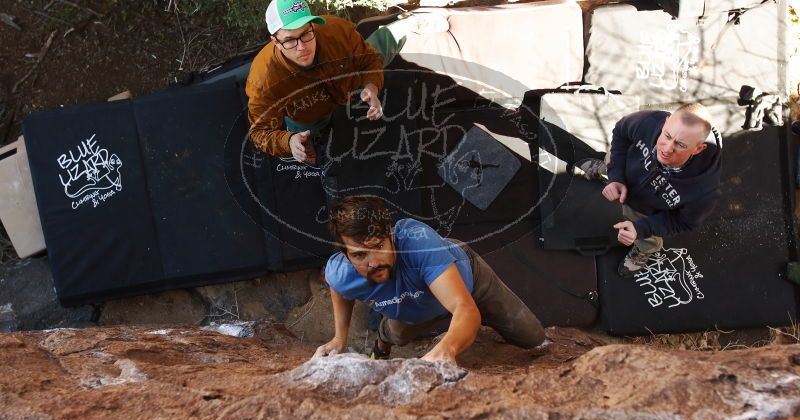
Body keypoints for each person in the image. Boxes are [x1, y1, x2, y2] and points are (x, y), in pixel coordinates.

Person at [313, 196, 546, 364]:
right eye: (360, 255)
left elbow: (464, 308)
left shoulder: (420, 244)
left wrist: (447, 349)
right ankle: (382, 344)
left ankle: (468, 329)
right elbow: (337, 287)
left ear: (391, 234)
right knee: (397, 334)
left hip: (469, 280)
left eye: (378, 247)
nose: (373, 263)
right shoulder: (341, 272)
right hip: (411, 303)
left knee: (533, 338)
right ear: (345, 256)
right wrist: (339, 338)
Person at [246, 0, 449, 164]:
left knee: (377, 51)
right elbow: (259, 132)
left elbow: (369, 60)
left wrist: (371, 86)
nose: (302, 47)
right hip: (308, 114)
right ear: (275, 41)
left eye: (306, 33)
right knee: (303, 138)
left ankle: (408, 25)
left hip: (348, 83)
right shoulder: (263, 80)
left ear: (313, 26)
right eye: (290, 40)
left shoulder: (336, 30)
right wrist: (288, 142)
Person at [570, 103, 722, 277]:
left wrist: (641, 228)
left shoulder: (704, 190)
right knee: (612, 161)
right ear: (666, 122)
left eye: (680, 145)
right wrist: (616, 175)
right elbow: (621, 131)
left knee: (646, 236)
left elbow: (684, 222)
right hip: (627, 167)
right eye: (667, 135)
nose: (666, 149)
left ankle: (645, 249)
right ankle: (605, 170)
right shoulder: (649, 121)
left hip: (646, 211)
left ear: (698, 149)